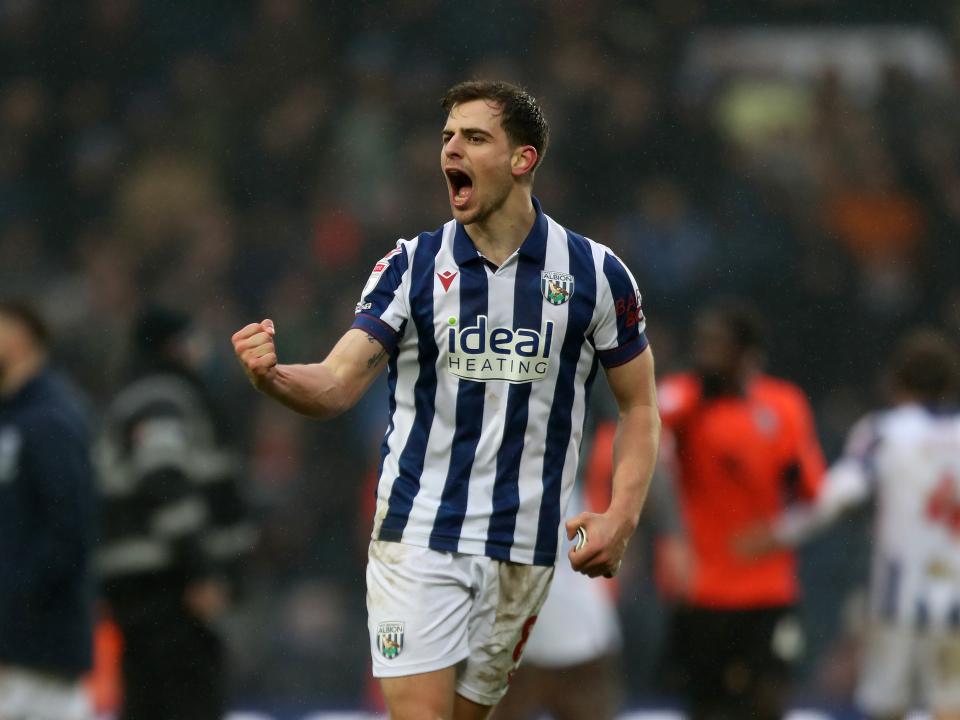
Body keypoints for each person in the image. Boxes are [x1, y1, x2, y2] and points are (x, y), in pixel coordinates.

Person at [232, 79, 660, 720]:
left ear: (523, 159)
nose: (450, 150)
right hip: (419, 532)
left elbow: (640, 406)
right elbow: (338, 383)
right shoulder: (411, 266)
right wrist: (276, 377)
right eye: (447, 138)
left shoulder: (596, 274)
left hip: (525, 546)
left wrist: (621, 514)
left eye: (474, 137)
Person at [738, 328, 960, 720]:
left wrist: (779, 533)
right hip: (955, 596)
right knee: (951, 705)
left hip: (898, 599)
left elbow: (835, 497)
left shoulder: (885, 432)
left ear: (895, 382)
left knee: (888, 706)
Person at [656, 301, 826, 720]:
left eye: (716, 344)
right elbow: (640, 440)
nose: (703, 353)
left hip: (769, 590)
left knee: (767, 702)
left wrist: (779, 534)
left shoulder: (783, 405)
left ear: (746, 354)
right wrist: (671, 538)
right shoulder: (683, 398)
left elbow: (813, 496)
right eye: (701, 342)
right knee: (708, 707)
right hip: (703, 589)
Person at [96, 306, 256, 720]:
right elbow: (165, 485)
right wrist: (201, 571)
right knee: (184, 701)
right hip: (167, 590)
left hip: (150, 591)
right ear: (174, 346)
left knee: (150, 700)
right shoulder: (161, 399)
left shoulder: (141, 395)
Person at [493, 408, 686, 720]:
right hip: (527, 626)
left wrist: (669, 538)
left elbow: (654, 482)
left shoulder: (603, 446)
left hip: (574, 622)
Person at [0, 300, 96, 720]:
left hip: (38, 656)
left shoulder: (50, 419)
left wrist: (15, 603)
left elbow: (68, 532)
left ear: (19, 337)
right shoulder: (15, 417)